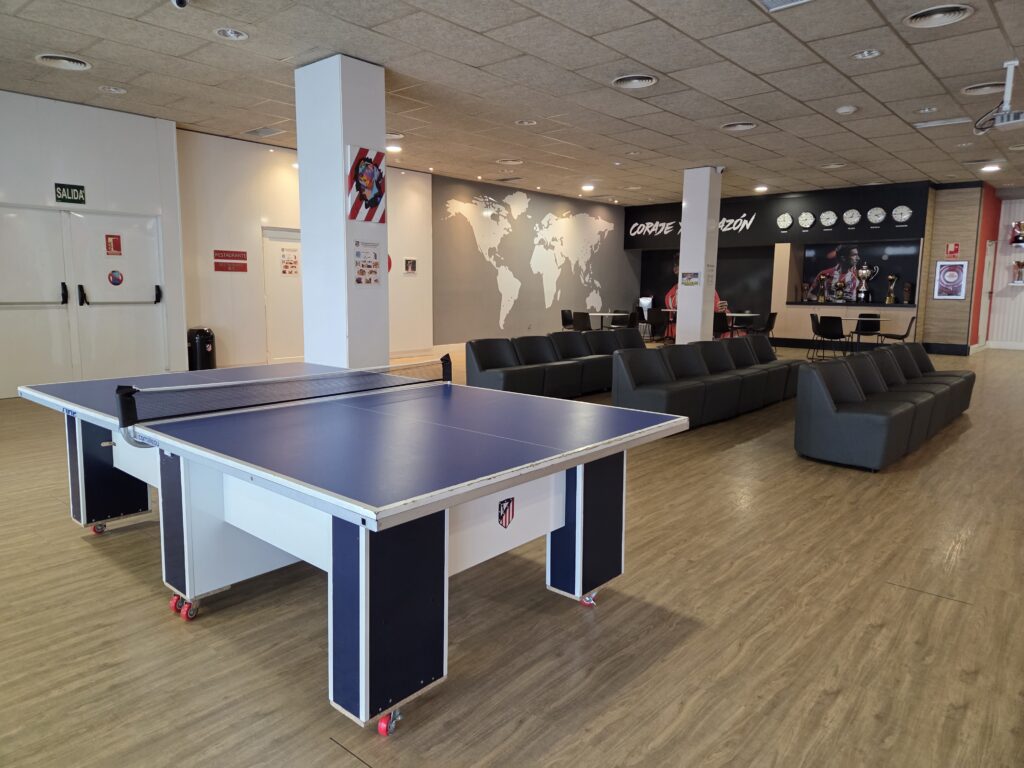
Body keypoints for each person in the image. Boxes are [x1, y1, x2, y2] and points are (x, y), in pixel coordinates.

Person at [664, 261, 728, 339]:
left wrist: (721, 309)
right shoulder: (671, 295)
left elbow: (717, 308)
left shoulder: (707, 290)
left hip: (702, 328)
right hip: (682, 330)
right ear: (675, 270)